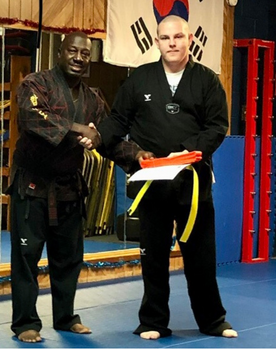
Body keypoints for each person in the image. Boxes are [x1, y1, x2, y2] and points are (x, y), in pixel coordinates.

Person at [94, 15, 238, 340]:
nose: (172, 43)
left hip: (193, 180)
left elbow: (217, 125)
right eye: (165, 37)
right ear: (156, 42)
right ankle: (153, 321)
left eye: (178, 37)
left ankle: (213, 320)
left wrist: (187, 151)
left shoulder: (206, 80)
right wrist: (96, 136)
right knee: (153, 255)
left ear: (189, 40)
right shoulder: (140, 80)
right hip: (153, 181)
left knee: (201, 255)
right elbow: (118, 119)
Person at [7, 31, 104, 343]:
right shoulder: (35, 85)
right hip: (32, 186)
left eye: (85, 54)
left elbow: (110, 137)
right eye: (72, 51)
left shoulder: (93, 99)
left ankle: (65, 317)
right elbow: (34, 118)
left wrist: (137, 154)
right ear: (60, 53)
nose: (78, 58)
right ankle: (25, 323)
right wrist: (81, 129)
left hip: (68, 189)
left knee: (69, 258)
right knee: (26, 257)